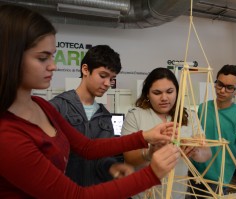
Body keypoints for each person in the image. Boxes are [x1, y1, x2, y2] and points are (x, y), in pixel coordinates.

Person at [0, 4, 181, 199]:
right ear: (11, 56)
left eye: (52, 56)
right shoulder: (8, 135)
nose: (53, 66)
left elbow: (88, 147)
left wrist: (144, 136)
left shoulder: (40, 105)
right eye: (43, 58)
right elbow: (74, 195)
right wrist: (152, 173)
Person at [50, 45, 134, 186]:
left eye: (112, 79)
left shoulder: (106, 118)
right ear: (85, 69)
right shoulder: (58, 107)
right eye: (103, 76)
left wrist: (112, 167)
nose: (107, 84)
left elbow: (104, 158)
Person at [121, 67, 212, 198]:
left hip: (177, 194)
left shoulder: (189, 116)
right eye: (157, 93)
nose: (164, 98)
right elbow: (129, 157)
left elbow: (207, 152)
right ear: (147, 94)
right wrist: (149, 153)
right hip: (143, 195)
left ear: (177, 92)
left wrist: (196, 151)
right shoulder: (135, 115)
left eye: (170, 91)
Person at [187, 64, 236, 198]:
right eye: (219, 84)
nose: (222, 90)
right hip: (193, 174)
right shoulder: (203, 108)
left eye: (229, 88)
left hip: (217, 180)